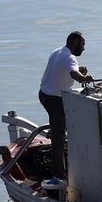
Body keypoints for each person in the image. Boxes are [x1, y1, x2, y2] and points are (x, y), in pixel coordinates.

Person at [38, 31, 93, 179]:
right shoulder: (70, 57)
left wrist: (78, 71)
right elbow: (74, 74)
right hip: (55, 100)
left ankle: (55, 128)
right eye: (82, 44)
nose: (83, 48)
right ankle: (57, 173)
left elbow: (64, 69)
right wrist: (84, 78)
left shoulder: (58, 51)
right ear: (75, 42)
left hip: (43, 94)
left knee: (59, 125)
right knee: (59, 136)